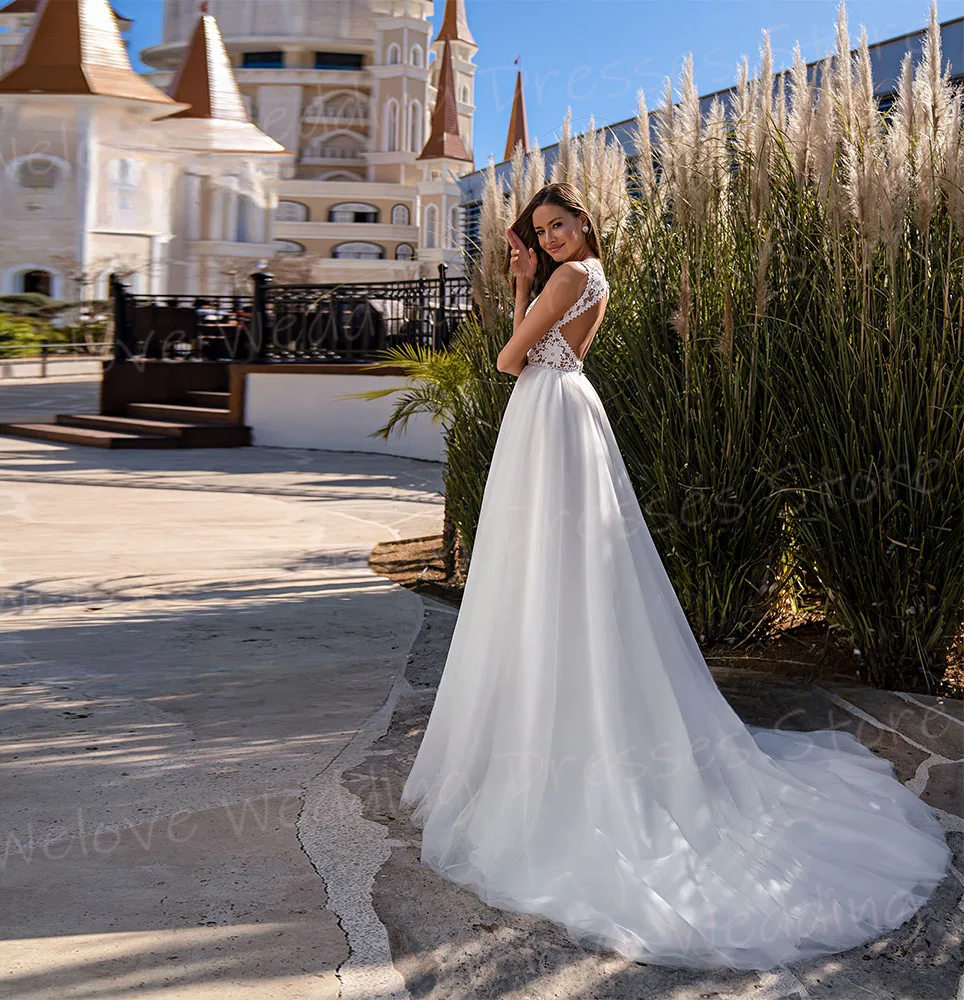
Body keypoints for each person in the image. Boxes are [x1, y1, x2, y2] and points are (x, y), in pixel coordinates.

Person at [399, 182, 951, 970]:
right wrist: (523, 285)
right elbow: (564, 354)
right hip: (566, 412)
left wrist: (524, 288)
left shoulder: (567, 276)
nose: (550, 236)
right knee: (574, 565)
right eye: (540, 230)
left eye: (559, 225)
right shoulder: (595, 278)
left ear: (584, 222)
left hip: (548, 416)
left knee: (542, 563)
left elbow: (508, 359)